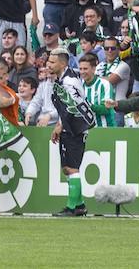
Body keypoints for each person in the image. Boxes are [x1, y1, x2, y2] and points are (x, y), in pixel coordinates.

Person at [46, 48, 94, 217]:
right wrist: (60, 124)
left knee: (72, 168)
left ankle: (72, 207)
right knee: (67, 168)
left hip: (75, 130)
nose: (48, 64)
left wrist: (62, 125)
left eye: (52, 62)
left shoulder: (69, 83)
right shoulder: (62, 79)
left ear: (63, 63)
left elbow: (76, 109)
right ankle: (79, 205)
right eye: (48, 61)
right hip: (69, 128)